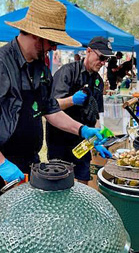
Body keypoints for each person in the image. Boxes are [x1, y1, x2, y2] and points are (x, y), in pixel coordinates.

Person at [0, 0, 108, 217]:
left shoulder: (41, 69)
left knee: (24, 226)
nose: (54, 47)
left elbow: (50, 110)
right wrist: (1, 163)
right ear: (35, 35)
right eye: (51, 41)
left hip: (27, 162)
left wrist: (82, 130)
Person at [46, 37, 113, 184]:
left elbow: (96, 116)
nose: (103, 63)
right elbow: (51, 107)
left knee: (83, 182)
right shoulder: (67, 72)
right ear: (88, 51)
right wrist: (71, 100)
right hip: (60, 140)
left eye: (106, 60)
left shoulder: (98, 82)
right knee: (59, 185)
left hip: (82, 141)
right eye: (101, 57)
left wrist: (97, 141)